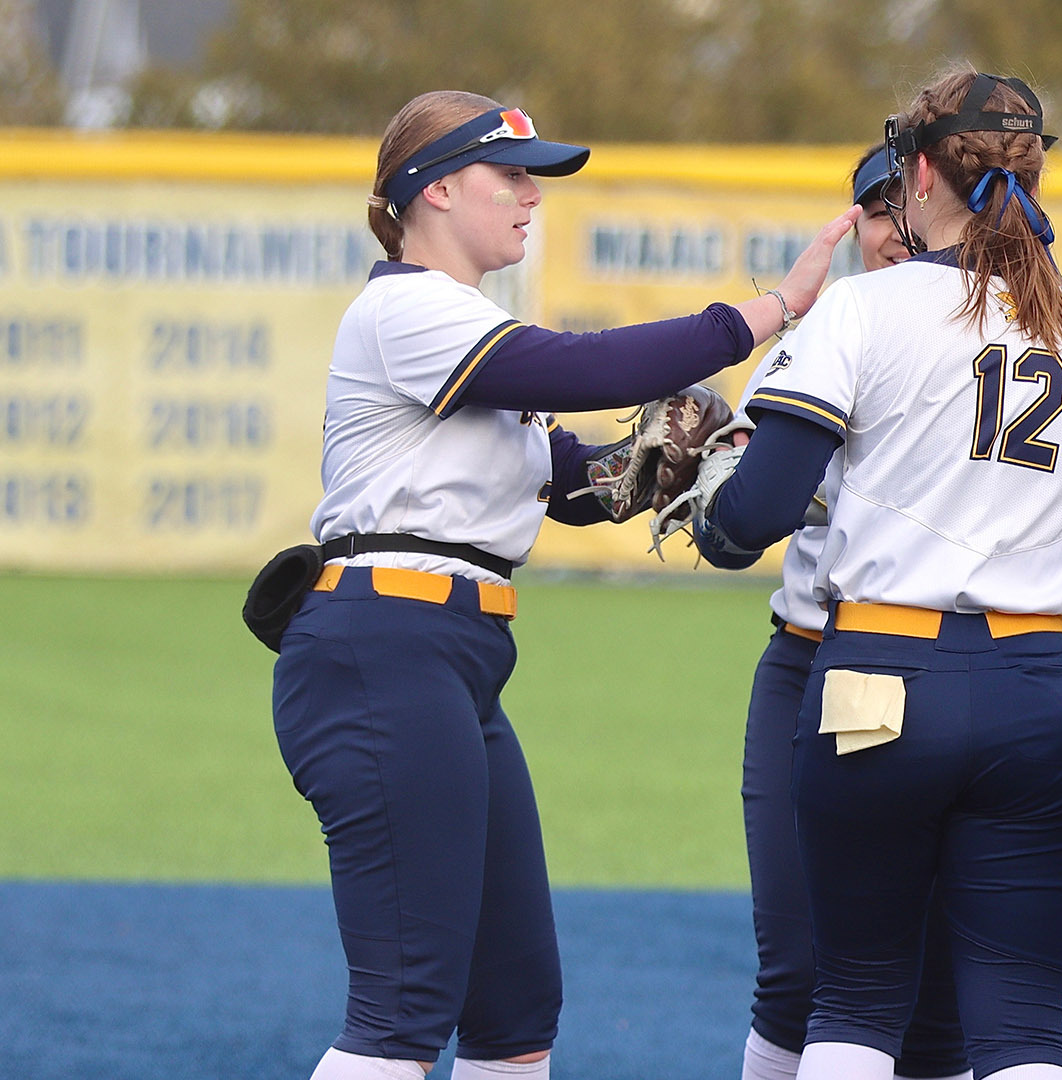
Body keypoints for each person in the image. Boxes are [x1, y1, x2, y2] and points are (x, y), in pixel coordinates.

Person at [271, 89, 854, 1080]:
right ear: (438, 189)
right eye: (510, 175)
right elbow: (589, 364)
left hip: (450, 657)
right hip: (385, 647)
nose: (529, 196)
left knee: (513, 1008)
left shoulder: (465, 329)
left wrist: (651, 464)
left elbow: (574, 484)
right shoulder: (406, 309)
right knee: (405, 1007)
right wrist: (772, 310)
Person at [689, 68, 1062, 1080]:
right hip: (1038, 678)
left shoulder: (866, 310)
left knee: (855, 1001)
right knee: (1019, 1025)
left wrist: (705, 496)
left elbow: (747, 520)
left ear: (920, 170)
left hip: (883, 673)